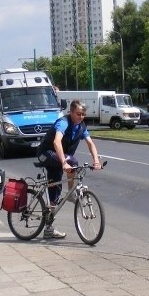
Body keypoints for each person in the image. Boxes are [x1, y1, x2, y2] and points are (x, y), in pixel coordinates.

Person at [37, 100, 101, 239]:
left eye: (83, 114)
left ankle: (48, 228)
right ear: (70, 112)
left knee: (55, 191)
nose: (81, 117)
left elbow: (90, 143)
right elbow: (56, 142)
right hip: (45, 153)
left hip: (58, 157)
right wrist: (64, 162)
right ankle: (72, 194)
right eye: (78, 114)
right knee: (72, 161)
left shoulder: (81, 126)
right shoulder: (63, 122)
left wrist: (96, 161)